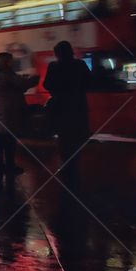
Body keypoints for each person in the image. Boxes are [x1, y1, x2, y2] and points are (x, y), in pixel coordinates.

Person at [43, 41, 92, 178]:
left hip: (61, 107)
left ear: (57, 54)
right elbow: (90, 82)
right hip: (78, 106)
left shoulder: (53, 66)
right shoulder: (80, 65)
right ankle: (74, 167)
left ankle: (65, 166)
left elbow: (47, 84)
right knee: (76, 138)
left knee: (64, 139)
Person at [0, 52, 40, 180]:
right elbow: (23, 84)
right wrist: (35, 77)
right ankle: (10, 167)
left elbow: (14, 88)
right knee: (9, 143)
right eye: (11, 61)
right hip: (7, 115)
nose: (13, 63)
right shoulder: (7, 75)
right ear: (6, 62)